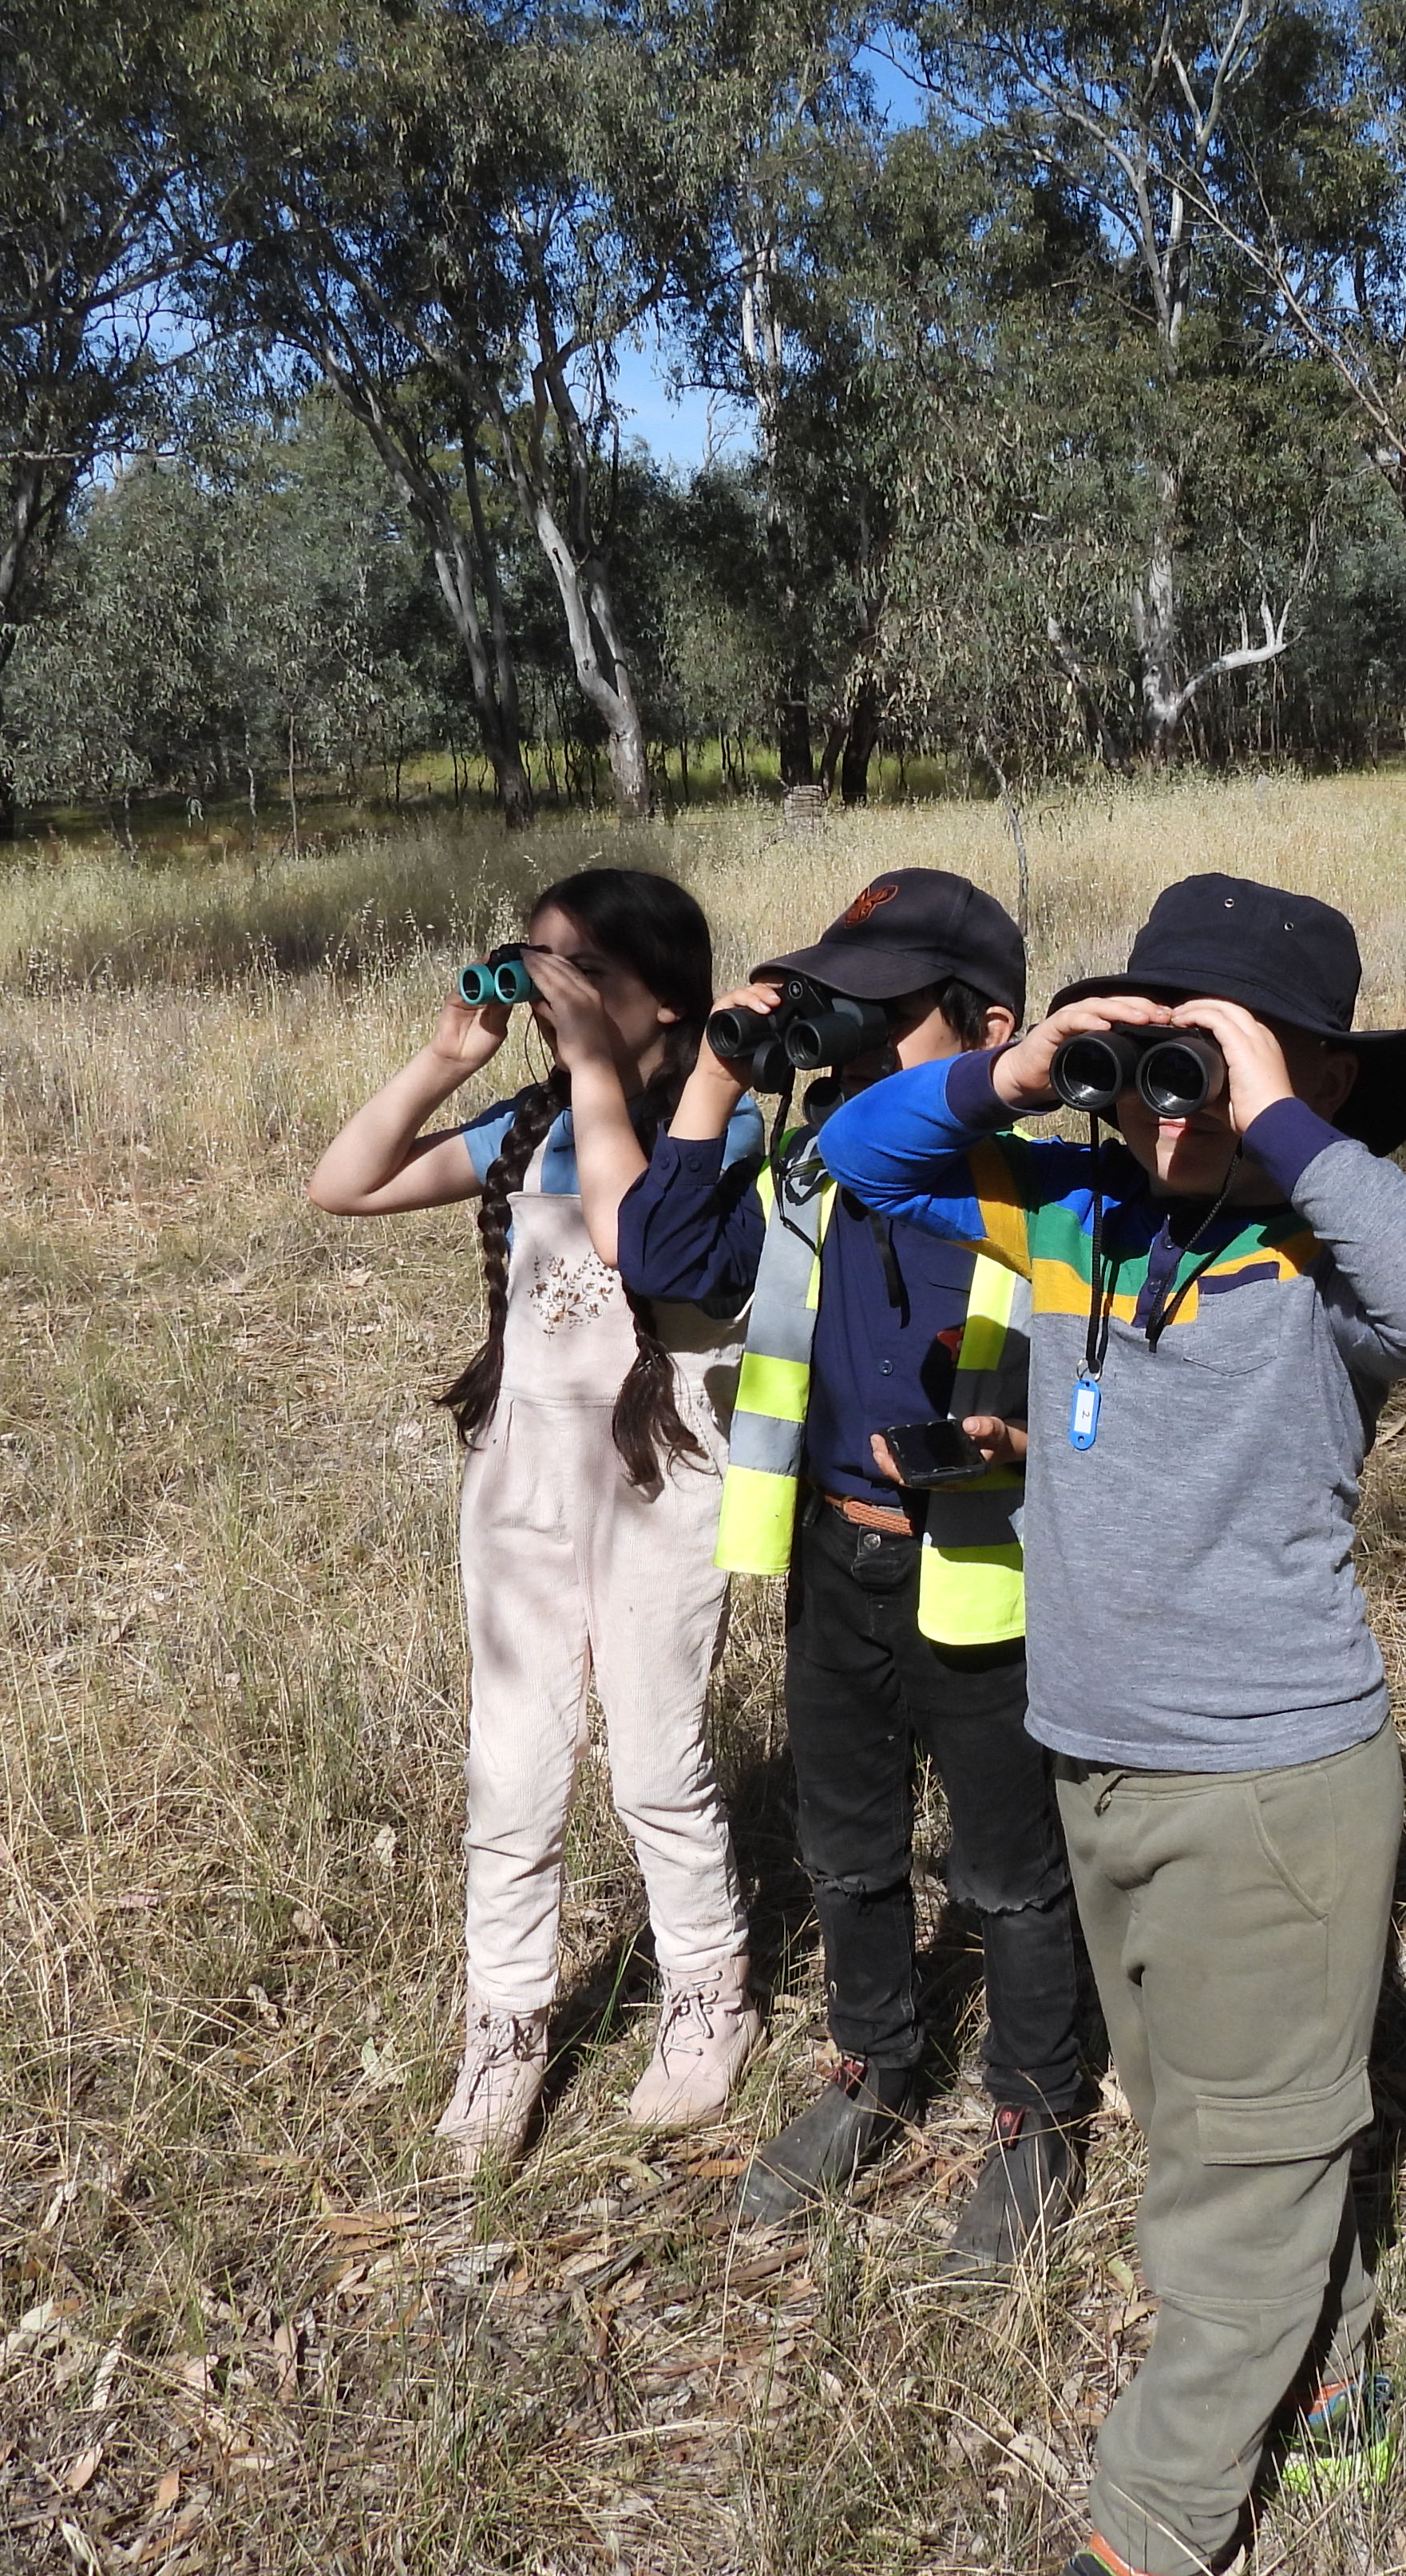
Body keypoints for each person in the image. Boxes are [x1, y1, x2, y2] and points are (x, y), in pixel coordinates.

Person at [819, 873, 1406, 2576]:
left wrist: (1273, 1119)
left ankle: (1152, 2523)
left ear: (1323, 1077)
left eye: (1218, 1059)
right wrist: (1018, 1073)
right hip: (1097, 1757)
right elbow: (861, 1159)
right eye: (1151, 1063)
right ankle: (1332, 2378)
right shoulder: (1070, 1208)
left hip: (1266, 1775)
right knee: (1218, 2124)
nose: (1169, 1103)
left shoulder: (1323, 1253)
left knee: (1240, 2171)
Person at [607, 865, 1097, 2265]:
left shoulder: (1048, 1189)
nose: (859, 1044)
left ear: (992, 1033)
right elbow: (664, 1252)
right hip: (835, 1553)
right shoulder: (813, 1163)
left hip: (985, 1562)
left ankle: (1037, 2109)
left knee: (1008, 1864)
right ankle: (875, 2065)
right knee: (847, 1843)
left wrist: (1026, 1444)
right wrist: (721, 1069)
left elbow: (1114, 1388)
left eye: (892, 1015)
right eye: (844, 1012)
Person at [306, 869, 767, 2162]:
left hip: (657, 1472)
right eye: (537, 967)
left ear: (666, 1004)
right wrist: (446, 1058)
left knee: (656, 1758)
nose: (553, 996)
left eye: (583, 976)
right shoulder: (531, 1123)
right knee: (511, 1769)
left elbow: (635, 1237)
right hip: (520, 1477)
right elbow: (342, 1184)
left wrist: (597, 1072)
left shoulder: (719, 1128)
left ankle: (708, 1990)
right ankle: (505, 2021)